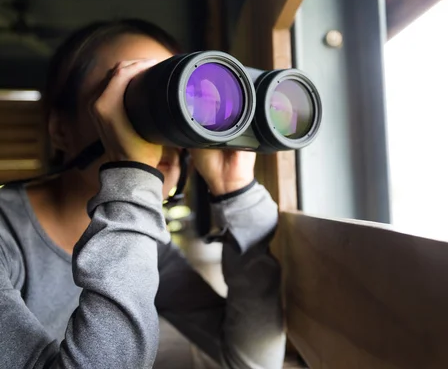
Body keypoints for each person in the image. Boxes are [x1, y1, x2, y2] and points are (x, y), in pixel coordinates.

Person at [0, 19, 286, 368]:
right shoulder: (7, 239)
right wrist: (132, 177)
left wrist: (235, 192)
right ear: (61, 130)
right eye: (131, 97)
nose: (162, 132)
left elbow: (249, 360)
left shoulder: (151, 251)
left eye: (179, 98)